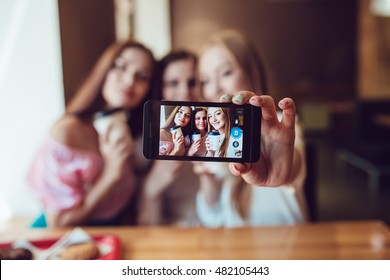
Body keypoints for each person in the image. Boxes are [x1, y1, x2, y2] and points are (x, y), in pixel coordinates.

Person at [27, 40, 155, 227]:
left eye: (142, 76)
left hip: (114, 236)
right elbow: (58, 223)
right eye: (121, 67)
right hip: (62, 238)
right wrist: (111, 174)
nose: (129, 80)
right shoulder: (67, 132)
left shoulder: (133, 133)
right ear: (105, 70)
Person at [194, 30, 307, 227]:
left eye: (226, 73)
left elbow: (295, 165)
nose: (214, 89)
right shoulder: (213, 137)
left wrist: (286, 168)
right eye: (205, 80)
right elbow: (212, 221)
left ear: (250, 73)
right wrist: (206, 177)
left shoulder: (279, 126)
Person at [138, 50, 200, 226]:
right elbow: (147, 227)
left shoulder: (218, 131)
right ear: (160, 89)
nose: (185, 92)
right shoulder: (145, 146)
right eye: (173, 83)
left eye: (192, 82)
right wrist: (152, 185)